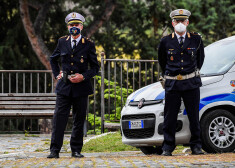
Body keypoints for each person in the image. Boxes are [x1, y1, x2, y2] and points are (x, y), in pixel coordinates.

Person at [47, 12, 99, 158]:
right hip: (64, 87)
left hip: (81, 87)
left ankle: (76, 150)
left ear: (81, 27)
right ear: (67, 26)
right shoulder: (62, 41)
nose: (73, 27)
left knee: (79, 119)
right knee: (59, 119)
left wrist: (83, 76)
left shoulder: (88, 44)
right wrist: (57, 73)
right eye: (71, 25)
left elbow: (95, 68)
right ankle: (54, 150)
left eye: (76, 25)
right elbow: (53, 59)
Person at [158, 9, 205, 156]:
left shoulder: (196, 39)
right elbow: (162, 61)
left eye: (182, 21)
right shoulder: (166, 41)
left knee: (193, 116)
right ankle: (168, 147)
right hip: (173, 84)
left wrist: (190, 73)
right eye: (177, 21)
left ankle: (196, 146)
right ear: (173, 23)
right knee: (170, 116)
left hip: (191, 82)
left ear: (187, 22)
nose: (180, 24)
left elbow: (200, 60)